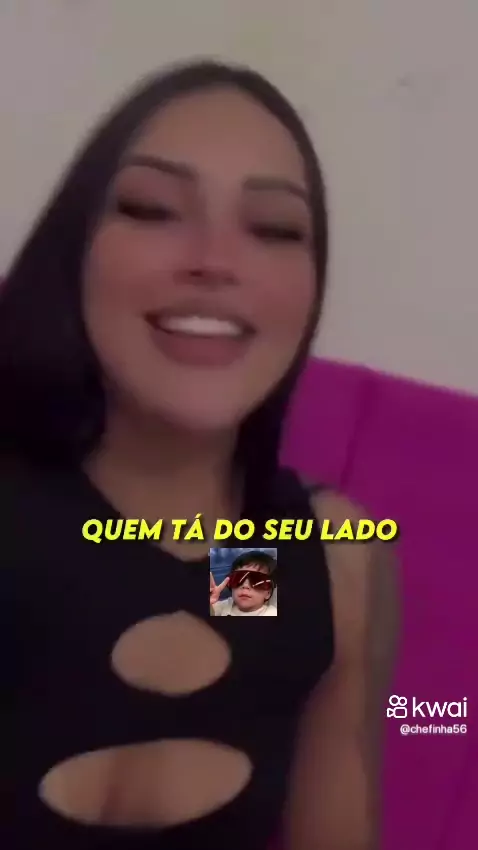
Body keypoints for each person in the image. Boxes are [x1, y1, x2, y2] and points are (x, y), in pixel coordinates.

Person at [0, 59, 399, 850]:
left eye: (274, 228)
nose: (216, 260)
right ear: (75, 249)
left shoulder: (317, 559)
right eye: (153, 209)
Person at [211, 550, 278, 616]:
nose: (245, 586)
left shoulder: (272, 613)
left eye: (257, 580)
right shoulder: (224, 606)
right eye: (238, 578)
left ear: (268, 593)